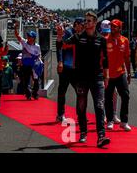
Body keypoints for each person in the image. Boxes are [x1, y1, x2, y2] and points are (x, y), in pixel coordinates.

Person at [56, 11, 110, 148]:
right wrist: (60, 36)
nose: (86, 23)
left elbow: (105, 60)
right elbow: (62, 45)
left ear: (95, 22)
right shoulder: (78, 37)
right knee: (81, 106)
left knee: (99, 105)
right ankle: (83, 132)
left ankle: (101, 136)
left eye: (89, 21)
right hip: (81, 78)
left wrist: (107, 76)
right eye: (85, 21)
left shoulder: (101, 39)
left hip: (97, 77)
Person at [105, 19, 132, 132]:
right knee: (108, 98)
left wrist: (129, 72)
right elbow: (102, 58)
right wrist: (103, 73)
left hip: (121, 73)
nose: (112, 28)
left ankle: (124, 122)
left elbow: (127, 57)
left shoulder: (124, 40)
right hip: (108, 74)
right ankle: (110, 120)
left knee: (125, 96)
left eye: (115, 27)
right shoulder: (105, 40)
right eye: (111, 26)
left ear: (119, 28)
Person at [55, 18, 84, 122]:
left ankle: (80, 115)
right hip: (66, 67)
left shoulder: (83, 34)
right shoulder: (68, 32)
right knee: (62, 91)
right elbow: (59, 47)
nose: (83, 27)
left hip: (76, 69)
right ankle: (60, 114)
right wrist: (60, 61)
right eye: (82, 25)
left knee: (80, 92)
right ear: (76, 24)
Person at [14, 21, 41, 100]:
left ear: (34, 38)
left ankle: (35, 94)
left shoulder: (37, 46)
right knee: (25, 81)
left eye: (30, 36)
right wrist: (15, 28)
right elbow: (17, 36)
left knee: (36, 80)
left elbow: (39, 55)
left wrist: (37, 61)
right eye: (28, 36)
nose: (29, 37)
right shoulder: (24, 42)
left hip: (34, 65)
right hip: (25, 65)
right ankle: (28, 94)